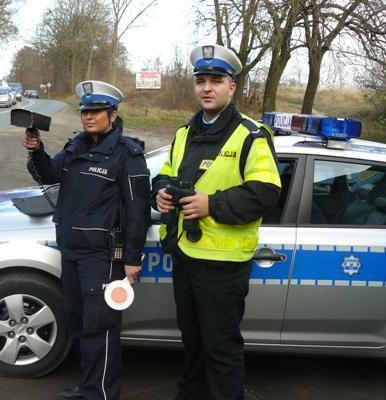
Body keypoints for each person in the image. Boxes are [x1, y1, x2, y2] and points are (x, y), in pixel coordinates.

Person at [152, 45, 281, 400]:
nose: (206, 88)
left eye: (216, 81)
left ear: (232, 87)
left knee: (221, 349)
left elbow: (266, 193)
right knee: (191, 342)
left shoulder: (251, 135)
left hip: (223, 266)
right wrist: (160, 192)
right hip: (185, 256)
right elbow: (164, 175)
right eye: (201, 81)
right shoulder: (184, 133)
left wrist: (212, 204)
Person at [23, 80, 151, 400]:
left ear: (113, 113)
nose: (88, 117)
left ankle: (102, 394)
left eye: (95, 111)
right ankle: (88, 385)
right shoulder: (77, 145)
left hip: (103, 258)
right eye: (85, 111)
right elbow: (50, 175)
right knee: (80, 325)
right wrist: (36, 151)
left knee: (101, 330)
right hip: (71, 252)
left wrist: (132, 258)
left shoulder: (127, 154)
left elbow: (138, 210)